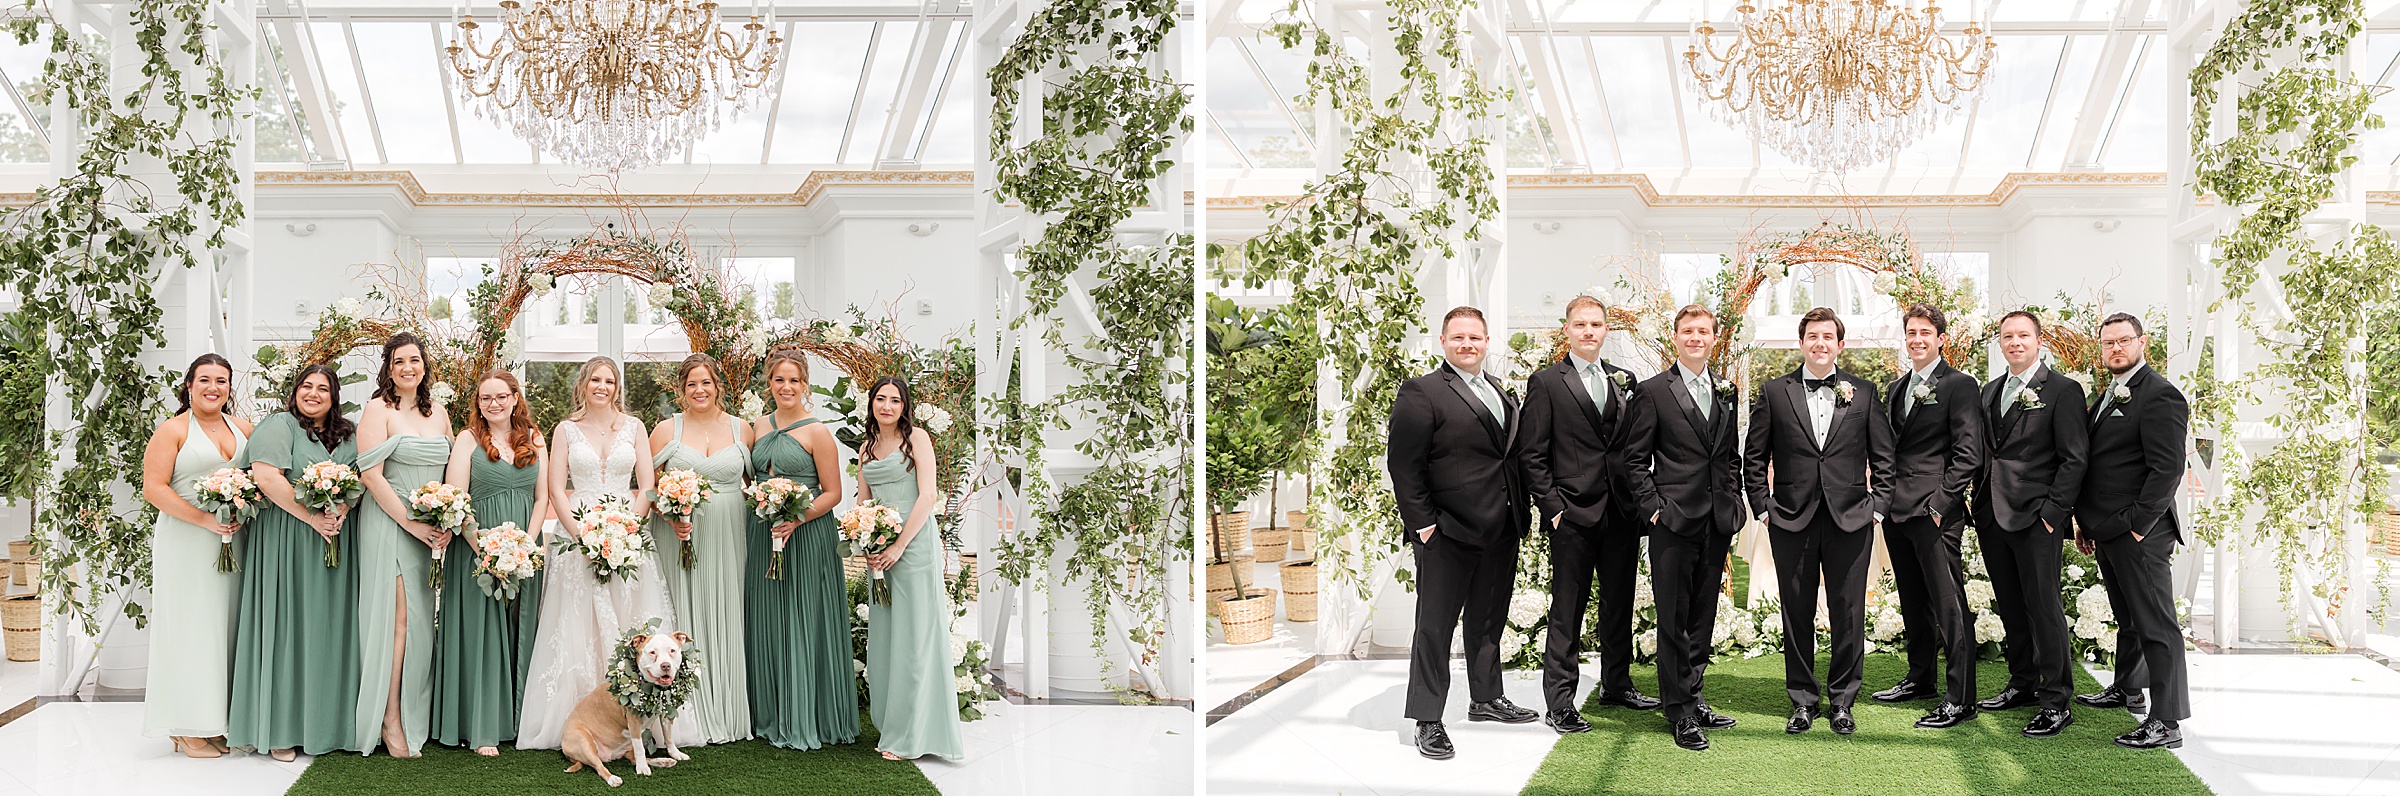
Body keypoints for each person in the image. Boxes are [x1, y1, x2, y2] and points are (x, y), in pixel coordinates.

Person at [1387, 306, 1536, 760]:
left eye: (1475, 337)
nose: (1467, 345)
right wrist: (1425, 526)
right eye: (1459, 338)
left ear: (1487, 342)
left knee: (1488, 621)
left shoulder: (1499, 392)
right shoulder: (1421, 391)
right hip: (1447, 532)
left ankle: (1486, 698)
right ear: (1443, 340)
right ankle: (1428, 718)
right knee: (1434, 626)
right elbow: (1404, 465)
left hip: (1501, 528)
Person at [1744, 307, 1894, 737]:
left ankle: (1844, 701)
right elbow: (1754, 457)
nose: (1820, 343)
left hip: (1852, 519)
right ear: (1802, 342)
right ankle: (1802, 701)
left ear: (1840, 345)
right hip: (1791, 519)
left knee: (1849, 612)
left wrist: (1877, 508)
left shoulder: (1863, 392)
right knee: (1797, 613)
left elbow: (1884, 457)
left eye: (1828, 336)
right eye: (1812, 336)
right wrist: (1763, 507)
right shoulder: (1775, 392)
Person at [517, 356, 677, 750]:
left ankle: (641, 718)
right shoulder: (566, 430)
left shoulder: (635, 428)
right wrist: (582, 537)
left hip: (628, 538)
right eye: (595, 380)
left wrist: (627, 531)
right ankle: (586, 720)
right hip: (579, 537)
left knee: (630, 618)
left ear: (616, 387)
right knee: (577, 626)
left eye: (609, 380)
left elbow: (647, 487)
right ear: (583, 384)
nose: (601, 386)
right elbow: (556, 489)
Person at [1517, 295, 1656, 736]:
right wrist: (1553, 509)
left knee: (1620, 604)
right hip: (1572, 514)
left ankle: (1617, 683)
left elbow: (1632, 448)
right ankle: (1559, 702)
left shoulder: (1625, 379)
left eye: (1596, 324)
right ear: (1567, 330)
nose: (1589, 332)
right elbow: (1532, 454)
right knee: (1568, 610)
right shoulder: (1546, 382)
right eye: (1581, 325)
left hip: (1620, 512)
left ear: (1606, 329)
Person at [1620, 306, 1745, 751]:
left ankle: (1694, 696)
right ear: (1675, 337)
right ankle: (1678, 712)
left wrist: (1735, 500)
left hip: (1716, 521)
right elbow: (1633, 460)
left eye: (1704, 331)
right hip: (1672, 522)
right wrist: (1654, 508)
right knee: (1673, 619)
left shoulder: (1727, 391)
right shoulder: (1653, 391)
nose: (1696, 338)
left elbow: (1730, 455)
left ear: (1715, 338)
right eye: (1688, 331)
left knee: (1702, 616)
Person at [227, 365, 363, 761]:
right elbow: (268, 479)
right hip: (287, 540)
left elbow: (359, 481)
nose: (314, 394)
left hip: (335, 540)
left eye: (324, 388)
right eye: (307, 386)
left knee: (329, 630)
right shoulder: (279, 425)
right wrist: (314, 518)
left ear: (334, 395)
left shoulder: (348, 434)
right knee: (287, 627)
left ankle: (331, 726)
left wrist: (340, 510)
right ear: (295, 391)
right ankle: (282, 728)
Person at [2072, 313, 2192, 750]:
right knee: (2128, 618)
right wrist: (2087, 523)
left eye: (2124, 341)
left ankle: (2167, 721)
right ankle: (2128, 688)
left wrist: (2140, 526)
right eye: (2108, 343)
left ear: (2142, 342)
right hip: (2107, 527)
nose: (2116, 349)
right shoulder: (2108, 394)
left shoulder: (2160, 396)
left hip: (2140, 530)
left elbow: (2167, 469)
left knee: (2157, 624)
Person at [1869, 304, 1987, 730]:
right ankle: (1921, 679)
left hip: (1936, 511)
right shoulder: (1897, 387)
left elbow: (1968, 453)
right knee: (1913, 602)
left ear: (1941, 338)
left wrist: (1940, 505)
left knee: (1949, 604)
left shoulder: (1959, 385)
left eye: (1925, 332)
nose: (1917, 339)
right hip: (1898, 510)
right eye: (1911, 332)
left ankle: (1962, 699)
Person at [1972, 310, 2088, 738]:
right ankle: (2022, 683)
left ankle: (2056, 700)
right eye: (2007, 336)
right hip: (1992, 515)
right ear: (1999, 343)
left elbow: (2074, 458)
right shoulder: (1989, 391)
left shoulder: (2062, 391)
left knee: (2044, 607)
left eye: (2023, 335)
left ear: (2039, 341)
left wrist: (2052, 515)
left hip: (2037, 517)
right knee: (2011, 605)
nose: (2015, 342)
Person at [430, 370, 550, 755]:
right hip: (477, 547)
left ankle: (520, 723)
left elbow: (542, 498)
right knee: (482, 632)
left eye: (501, 396)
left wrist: (525, 547)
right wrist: (484, 548)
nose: (493, 404)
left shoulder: (534, 437)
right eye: (485, 398)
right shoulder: (467, 439)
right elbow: (457, 498)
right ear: (478, 403)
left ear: (516, 398)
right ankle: (481, 726)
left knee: (520, 628)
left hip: (524, 548)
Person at [141, 353, 254, 758]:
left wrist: (241, 510)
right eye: (204, 380)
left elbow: (258, 479)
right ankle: (186, 726)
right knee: (191, 628)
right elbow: (154, 488)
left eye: (221, 381)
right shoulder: (172, 430)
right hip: (187, 540)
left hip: (233, 540)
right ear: (189, 385)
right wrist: (204, 520)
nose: (213, 388)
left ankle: (213, 720)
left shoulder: (243, 428)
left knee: (224, 627)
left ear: (229, 388)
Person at [746, 348, 860, 749]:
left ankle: (808, 713)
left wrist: (798, 517)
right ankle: (770, 711)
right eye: (779, 379)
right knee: (769, 614)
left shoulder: (817, 432)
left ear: (805, 385)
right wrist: (767, 510)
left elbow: (833, 493)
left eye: (794, 380)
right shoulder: (758, 426)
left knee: (803, 614)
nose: (786, 386)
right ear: (769, 384)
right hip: (764, 533)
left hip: (808, 534)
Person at [352, 332, 454, 757]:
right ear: (388, 368)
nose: (408, 368)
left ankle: (415, 713)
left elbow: (452, 471)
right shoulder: (378, 410)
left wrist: (449, 514)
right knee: (399, 625)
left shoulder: (441, 413)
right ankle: (389, 718)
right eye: (399, 362)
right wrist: (411, 524)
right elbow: (371, 475)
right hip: (390, 525)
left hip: (429, 529)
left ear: (424, 365)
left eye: (414, 360)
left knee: (422, 627)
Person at [857, 376, 965, 761]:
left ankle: (916, 735)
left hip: (913, 546)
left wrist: (900, 543)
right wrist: (867, 541)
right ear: (871, 404)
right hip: (879, 549)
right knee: (887, 639)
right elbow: (863, 502)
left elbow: (929, 494)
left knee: (916, 638)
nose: (887, 406)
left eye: (895, 400)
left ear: (905, 406)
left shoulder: (916, 438)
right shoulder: (867, 447)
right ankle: (893, 725)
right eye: (880, 399)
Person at [648, 353, 754, 744]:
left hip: (729, 534)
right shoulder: (665, 430)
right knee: (683, 614)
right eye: (691, 384)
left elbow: (755, 483)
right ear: (682, 389)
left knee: (726, 612)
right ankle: (682, 714)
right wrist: (668, 512)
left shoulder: (743, 430)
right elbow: (645, 487)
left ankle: (726, 709)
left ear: (718, 386)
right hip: (678, 537)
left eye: (705, 383)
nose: (699, 390)